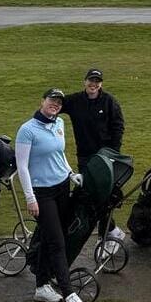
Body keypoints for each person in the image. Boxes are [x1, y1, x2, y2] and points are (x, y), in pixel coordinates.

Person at [15, 88, 86, 302]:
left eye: (59, 102)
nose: (55, 105)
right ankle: (69, 294)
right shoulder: (27, 130)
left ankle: (41, 285)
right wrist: (30, 198)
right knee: (57, 243)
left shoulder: (59, 123)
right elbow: (22, 167)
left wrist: (70, 173)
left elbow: (59, 154)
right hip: (42, 193)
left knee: (50, 237)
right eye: (52, 100)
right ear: (42, 101)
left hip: (62, 188)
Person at [61, 68, 126, 249]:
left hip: (104, 158)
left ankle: (107, 235)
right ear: (85, 81)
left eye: (97, 81)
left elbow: (118, 127)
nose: (94, 84)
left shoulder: (109, 101)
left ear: (101, 84)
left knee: (102, 197)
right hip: (85, 157)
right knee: (90, 196)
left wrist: (113, 154)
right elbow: (57, 105)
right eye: (91, 80)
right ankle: (112, 231)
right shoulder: (75, 101)